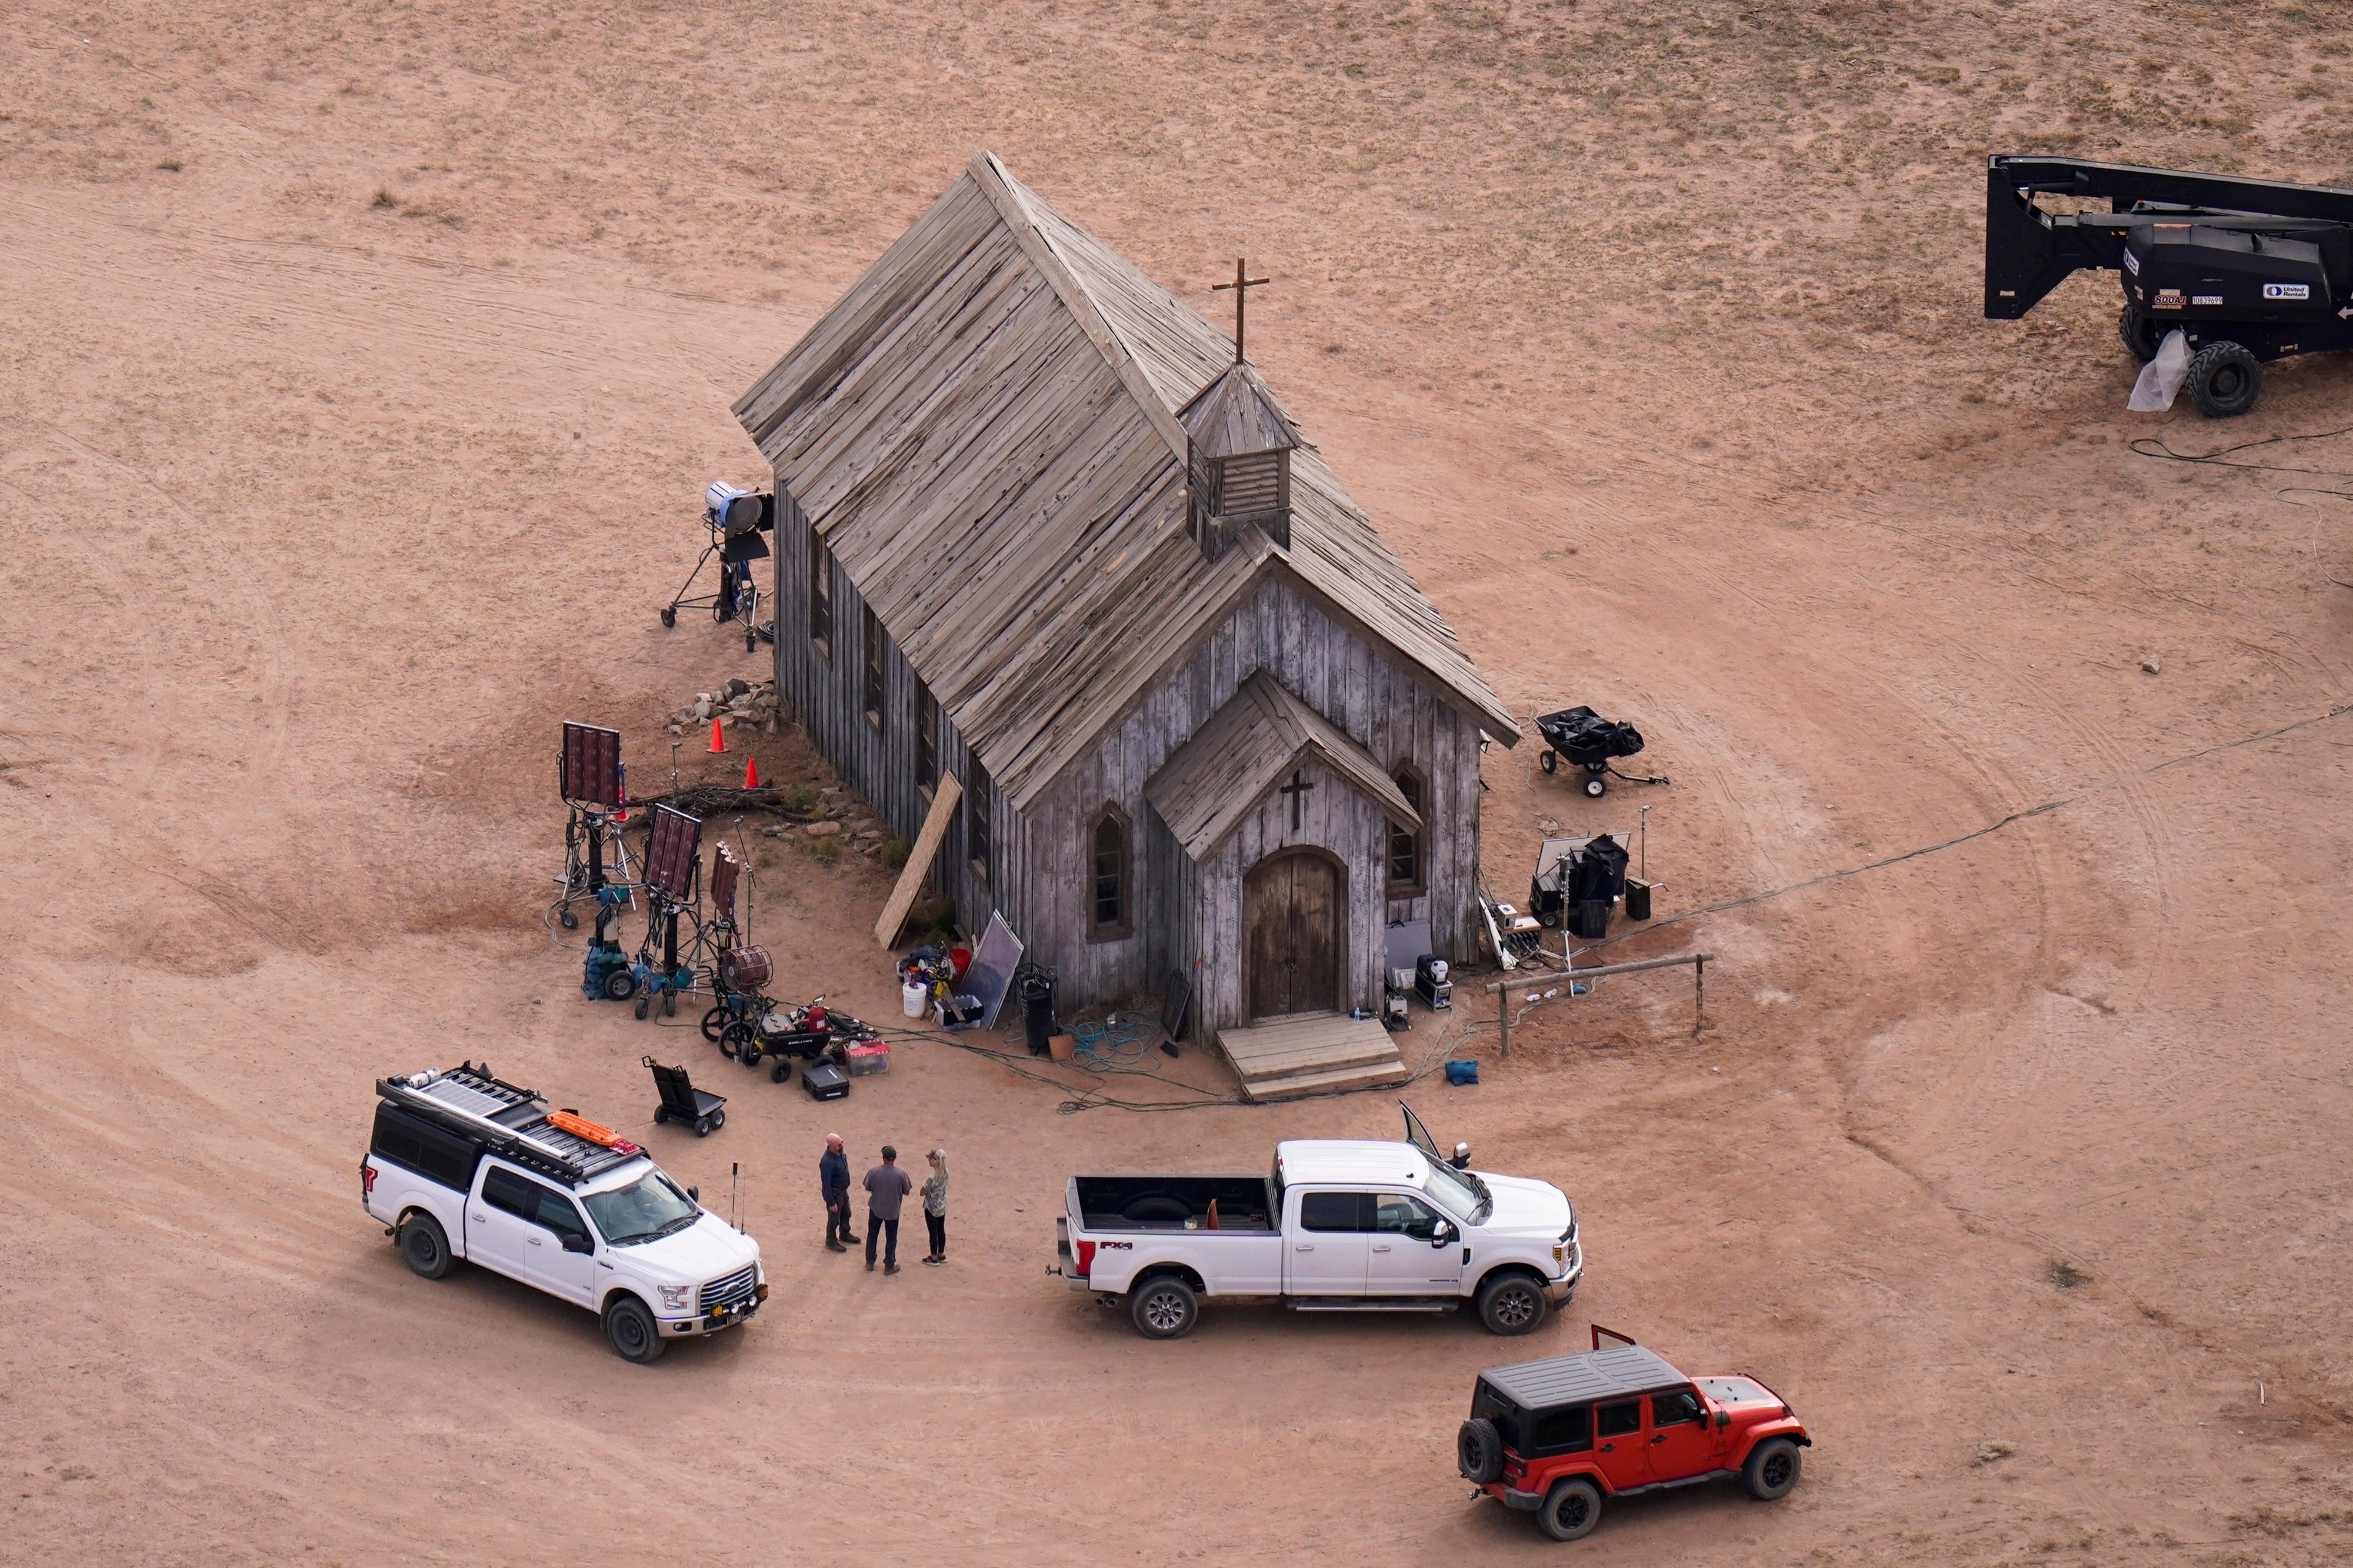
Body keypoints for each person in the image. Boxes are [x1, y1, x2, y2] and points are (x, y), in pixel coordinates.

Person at [863, 1144, 914, 1275]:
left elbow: (867, 1188)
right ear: (895, 1158)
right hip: (893, 1211)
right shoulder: (901, 1175)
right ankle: (889, 1265)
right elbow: (907, 1192)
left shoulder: (874, 1172)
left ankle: (870, 1262)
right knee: (891, 1238)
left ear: (883, 1157)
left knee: (872, 1235)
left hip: (876, 1209)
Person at [819, 1133, 856, 1253]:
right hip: (835, 1194)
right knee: (834, 1218)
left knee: (846, 1213)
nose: (841, 1146)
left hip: (843, 1191)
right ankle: (831, 1240)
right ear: (830, 1146)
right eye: (838, 1145)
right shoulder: (827, 1162)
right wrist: (831, 1202)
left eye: (841, 1143)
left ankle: (845, 1233)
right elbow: (826, 1184)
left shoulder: (840, 1154)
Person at [919, 1147, 949, 1266]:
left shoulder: (932, 1178)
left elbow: (923, 1192)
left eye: (931, 1159)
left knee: (933, 1232)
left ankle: (934, 1257)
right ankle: (941, 1254)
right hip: (942, 1205)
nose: (929, 1161)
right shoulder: (946, 1172)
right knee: (941, 1230)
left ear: (937, 1161)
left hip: (931, 1207)